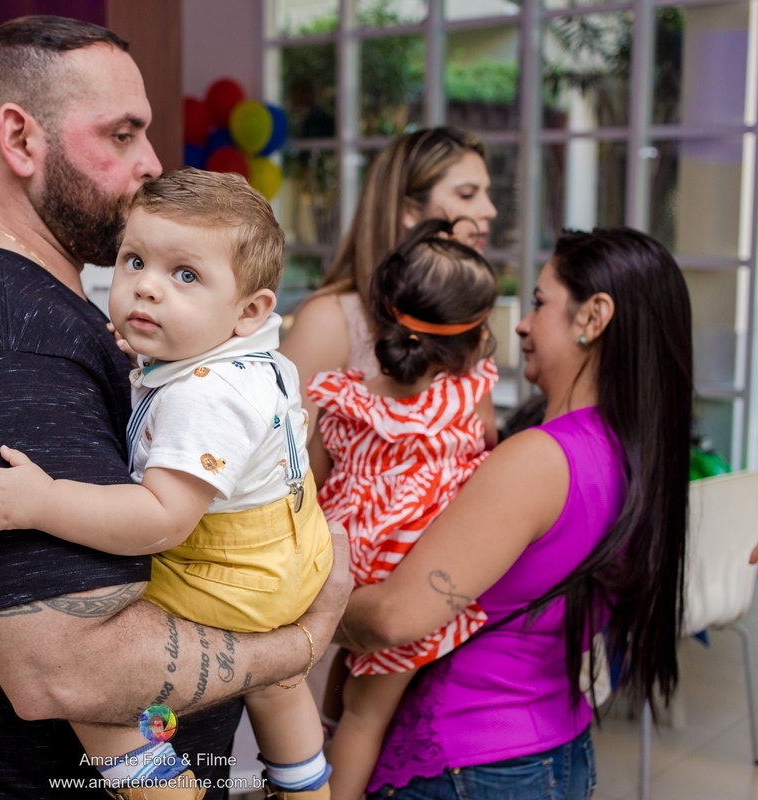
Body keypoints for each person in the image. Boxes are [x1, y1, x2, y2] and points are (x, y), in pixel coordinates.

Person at [0, 16, 349, 800]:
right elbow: (64, 669)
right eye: (123, 134)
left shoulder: (65, 319)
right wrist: (296, 647)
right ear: (21, 140)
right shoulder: (16, 350)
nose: (151, 163)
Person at [0, 169, 335, 799]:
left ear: (249, 311)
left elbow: (162, 518)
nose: (147, 287)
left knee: (86, 665)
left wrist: (44, 501)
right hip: (292, 552)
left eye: (185, 275)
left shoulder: (205, 396)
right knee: (279, 683)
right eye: (134, 261)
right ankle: (307, 787)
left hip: (232, 573)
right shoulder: (247, 358)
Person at [330, 228, 692, 799]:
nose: (521, 325)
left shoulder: (540, 460)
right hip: (555, 746)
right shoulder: (632, 455)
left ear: (593, 317)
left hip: (471, 759)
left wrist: (299, 612)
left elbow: (396, 618)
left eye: (540, 303)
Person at [303, 220, 500, 799]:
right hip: (406, 568)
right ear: (472, 339)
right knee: (369, 714)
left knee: (345, 670)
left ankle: (319, 746)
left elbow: (312, 478)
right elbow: (488, 451)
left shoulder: (345, 397)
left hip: (344, 559)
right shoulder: (468, 396)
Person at [280, 127, 499, 482]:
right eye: (467, 194)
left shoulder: (463, 316)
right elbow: (282, 467)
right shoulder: (331, 318)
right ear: (408, 210)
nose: (489, 210)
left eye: (487, 193)